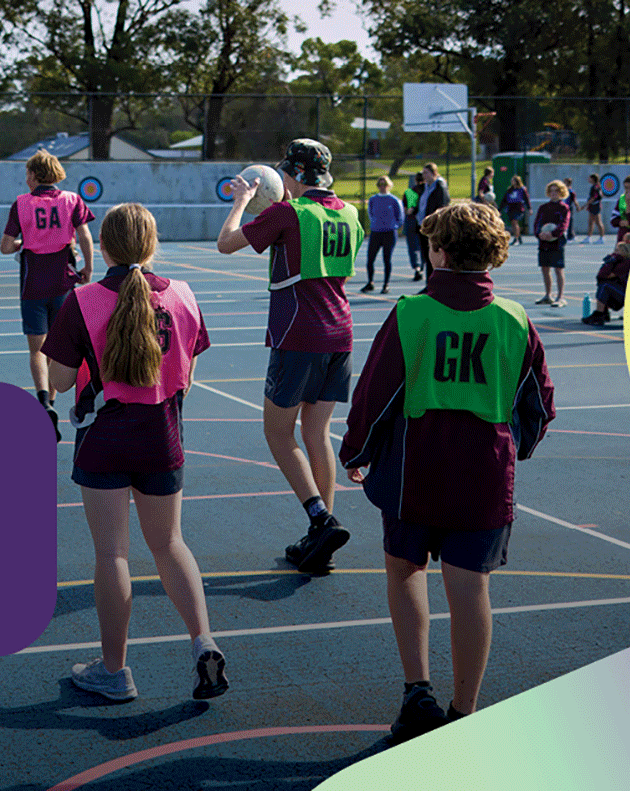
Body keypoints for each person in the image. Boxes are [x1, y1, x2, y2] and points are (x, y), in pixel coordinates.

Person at [339, 201, 555, 744]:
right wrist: (513, 449)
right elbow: (539, 404)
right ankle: (465, 711)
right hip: (483, 476)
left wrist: (356, 452)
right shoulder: (513, 318)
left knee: (405, 571)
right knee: (470, 589)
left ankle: (418, 692)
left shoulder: (412, 313)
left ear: (438, 251)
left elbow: (375, 393)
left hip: (417, 472)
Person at [44, 203, 227, 702]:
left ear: (102, 246)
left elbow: (59, 383)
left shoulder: (81, 301)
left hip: (105, 437)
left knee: (113, 554)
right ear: (153, 244)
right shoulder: (184, 296)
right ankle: (203, 641)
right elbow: (187, 375)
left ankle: (114, 670)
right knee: (170, 545)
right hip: (162, 434)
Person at [216, 138, 362, 574]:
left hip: (299, 333)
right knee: (317, 433)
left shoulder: (287, 213)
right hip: (341, 332)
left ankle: (321, 518)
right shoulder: (350, 213)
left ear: (292, 175)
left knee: (279, 434)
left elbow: (226, 244)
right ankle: (323, 539)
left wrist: (242, 201)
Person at [0, 149, 95, 440]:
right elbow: (84, 236)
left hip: (33, 285)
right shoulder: (72, 200)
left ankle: (43, 401)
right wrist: (89, 267)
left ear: (34, 174)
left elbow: (4, 246)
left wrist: (20, 244)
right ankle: (52, 402)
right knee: (56, 349)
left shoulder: (21, 203)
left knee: (36, 350)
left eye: (27, 173)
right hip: (63, 283)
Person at [534, 180, 572, 307]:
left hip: (557, 243)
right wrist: (539, 234)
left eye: (556, 191)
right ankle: (548, 295)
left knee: (558, 269)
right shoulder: (543, 208)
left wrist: (553, 234)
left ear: (561, 192)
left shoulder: (564, 208)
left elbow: (564, 225)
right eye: (552, 191)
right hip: (544, 243)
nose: (554, 193)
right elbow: (537, 223)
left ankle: (560, 297)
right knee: (545, 269)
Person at [364, 176, 403, 294]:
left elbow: (400, 216)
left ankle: (386, 284)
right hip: (376, 232)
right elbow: (370, 213)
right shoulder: (373, 199)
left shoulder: (394, 200)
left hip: (389, 233)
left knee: (387, 259)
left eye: (384, 184)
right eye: (380, 184)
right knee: (370, 259)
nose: (382, 187)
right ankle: (370, 282)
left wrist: (393, 225)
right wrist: (375, 223)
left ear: (389, 185)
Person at [582, 240, 629, 325]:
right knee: (605, 285)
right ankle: (602, 312)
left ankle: (600, 313)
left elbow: (605, 275)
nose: (614, 253)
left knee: (605, 286)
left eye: (617, 251)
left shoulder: (625, 263)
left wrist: (610, 262)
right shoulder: (622, 262)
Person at [415, 163, 449, 282]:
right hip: (423, 226)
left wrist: (436, 223)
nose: (424, 175)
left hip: (434, 227)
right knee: (426, 257)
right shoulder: (425, 187)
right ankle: (429, 284)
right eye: (423, 173)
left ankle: (433, 285)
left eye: (426, 173)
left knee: (433, 257)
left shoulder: (439, 186)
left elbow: (442, 206)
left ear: (434, 173)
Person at [404, 175, 425, 280]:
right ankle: (422, 267)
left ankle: (417, 267)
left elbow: (408, 210)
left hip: (412, 220)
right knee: (424, 246)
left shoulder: (410, 192)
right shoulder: (428, 191)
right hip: (424, 221)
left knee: (413, 246)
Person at [501, 176, 529, 244]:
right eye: (512, 181)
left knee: (515, 221)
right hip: (511, 208)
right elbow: (504, 200)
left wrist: (529, 208)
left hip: (518, 208)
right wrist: (500, 209)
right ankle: (518, 236)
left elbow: (526, 199)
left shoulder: (522, 189)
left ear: (517, 181)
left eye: (514, 181)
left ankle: (515, 238)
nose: (512, 182)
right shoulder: (510, 190)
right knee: (513, 223)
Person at [584, 174, 605, 243]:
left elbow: (594, 197)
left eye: (590, 178)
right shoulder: (594, 186)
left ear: (593, 179)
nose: (588, 179)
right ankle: (589, 237)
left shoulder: (595, 187)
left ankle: (602, 238)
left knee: (598, 222)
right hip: (592, 206)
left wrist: (585, 205)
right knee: (590, 222)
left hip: (595, 206)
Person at [562, 178, 578, 243]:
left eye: (565, 182)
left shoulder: (571, 191)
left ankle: (570, 237)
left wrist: (577, 207)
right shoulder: (563, 190)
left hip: (569, 208)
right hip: (563, 208)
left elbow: (574, 200)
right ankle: (572, 235)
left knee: (569, 222)